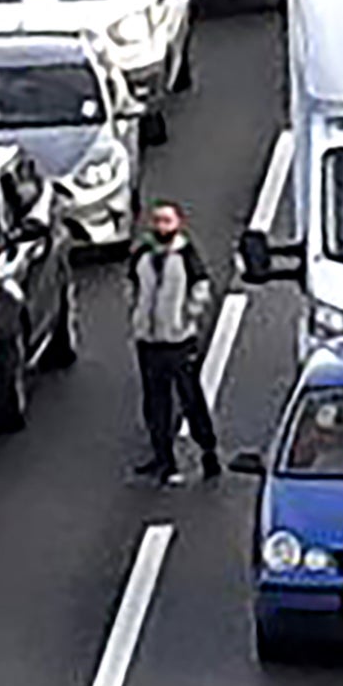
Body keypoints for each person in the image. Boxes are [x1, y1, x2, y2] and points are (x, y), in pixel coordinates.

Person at [127, 202, 222, 483]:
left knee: (190, 398)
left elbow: (201, 286)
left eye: (167, 221)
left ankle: (208, 451)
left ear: (178, 223)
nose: (161, 226)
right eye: (157, 220)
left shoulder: (186, 255)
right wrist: (137, 316)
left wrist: (186, 317)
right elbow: (132, 285)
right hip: (149, 340)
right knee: (155, 402)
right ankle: (162, 458)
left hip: (178, 341)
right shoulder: (142, 254)